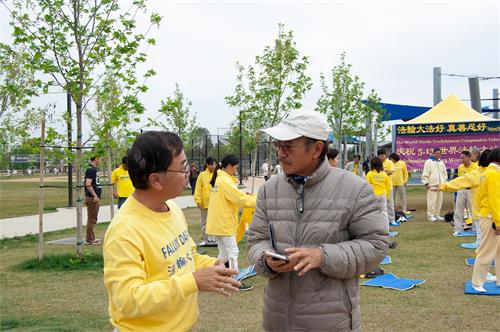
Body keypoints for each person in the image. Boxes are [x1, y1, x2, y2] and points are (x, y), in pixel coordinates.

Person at [247, 109, 388, 331]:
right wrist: (266, 261)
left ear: (316, 148)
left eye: (288, 146)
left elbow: (376, 245)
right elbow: (256, 241)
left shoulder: (355, 189)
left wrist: (323, 256)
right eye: (278, 146)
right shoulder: (269, 190)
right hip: (278, 320)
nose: (280, 154)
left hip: (331, 321)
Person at [103, 131, 240, 332]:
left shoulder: (172, 209)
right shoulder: (124, 231)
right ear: (156, 180)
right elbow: (128, 300)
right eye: (183, 167)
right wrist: (193, 282)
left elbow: (187, 256)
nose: (189, 173)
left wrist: (213, 265)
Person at [206, 154, 256, 290]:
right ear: (229, 166)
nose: (236, 170)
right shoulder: (225, 181)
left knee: (223, 253)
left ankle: (217, 276)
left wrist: (243, 196)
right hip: (224, 223)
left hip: (217, 223)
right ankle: (234, 280)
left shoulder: (218, 180)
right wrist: (258, 200)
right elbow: (240, 200)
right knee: (232, 252)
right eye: (236, 168)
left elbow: (233, 197)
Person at [471, 147, 500, 292]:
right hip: (491, 217)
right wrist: (498, 222)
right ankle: (477, 283)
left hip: (488, 214)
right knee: (486, 251)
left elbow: (480, 197)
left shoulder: (487, 172)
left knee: (498, 251)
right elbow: (495, 200)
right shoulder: (493, 174)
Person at [450, 151, 478, 233]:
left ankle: (475, 229)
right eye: (461, 158)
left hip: (471, 191)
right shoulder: (460, 167)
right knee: (458, 210)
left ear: (469, 157)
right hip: (461, 190)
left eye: (463, 158)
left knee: (473, 210)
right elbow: (459, 179)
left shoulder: (475, 167)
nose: (462, 160)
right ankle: (458, 229)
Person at [194, 157, 217, 246]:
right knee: (204, 223)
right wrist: (198, 200)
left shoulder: (217, 175)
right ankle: (205, 239)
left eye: (215, 164)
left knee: (215, 221)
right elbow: (198, 189)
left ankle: (214, 238)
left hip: (215, 203)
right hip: (205, 204)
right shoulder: (202, 175)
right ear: (207, 165)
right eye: (211, 164)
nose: (213, 166)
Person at [421, 148, 448, 222]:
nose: (438, 155)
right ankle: (430, 216)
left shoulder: (441, 162)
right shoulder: (428, 162)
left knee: (439, 201)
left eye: (439, 153)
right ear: (433, 153)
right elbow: (425, 173)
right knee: (432, 201)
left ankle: (437, 215)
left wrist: (444, 183)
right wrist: (426, 183)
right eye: (436, 153)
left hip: (440, 185)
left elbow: (444, 173)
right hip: (432, 184)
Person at [84, 156, 102, 244]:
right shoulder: (92, 170)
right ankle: (90, 239)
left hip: (94, 198)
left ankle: (91, 238)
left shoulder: (94, 169)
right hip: (92, 199)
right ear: (95, 159)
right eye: (99, 158)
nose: (100, 160)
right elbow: (88, 184)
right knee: (92, 219)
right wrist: (95, 195)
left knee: (93, 218)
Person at [378, 149, 396, 224]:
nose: (382, 157)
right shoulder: (377, 162)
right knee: (379, 205)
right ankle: (381, 220)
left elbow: (391, 171)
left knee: (390, 203)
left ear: (386, 155)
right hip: (378, 187)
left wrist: (383, 173)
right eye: (380, 155)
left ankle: (392, 220)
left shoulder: (389, 162)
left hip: (388, 186)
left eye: (383, 155)